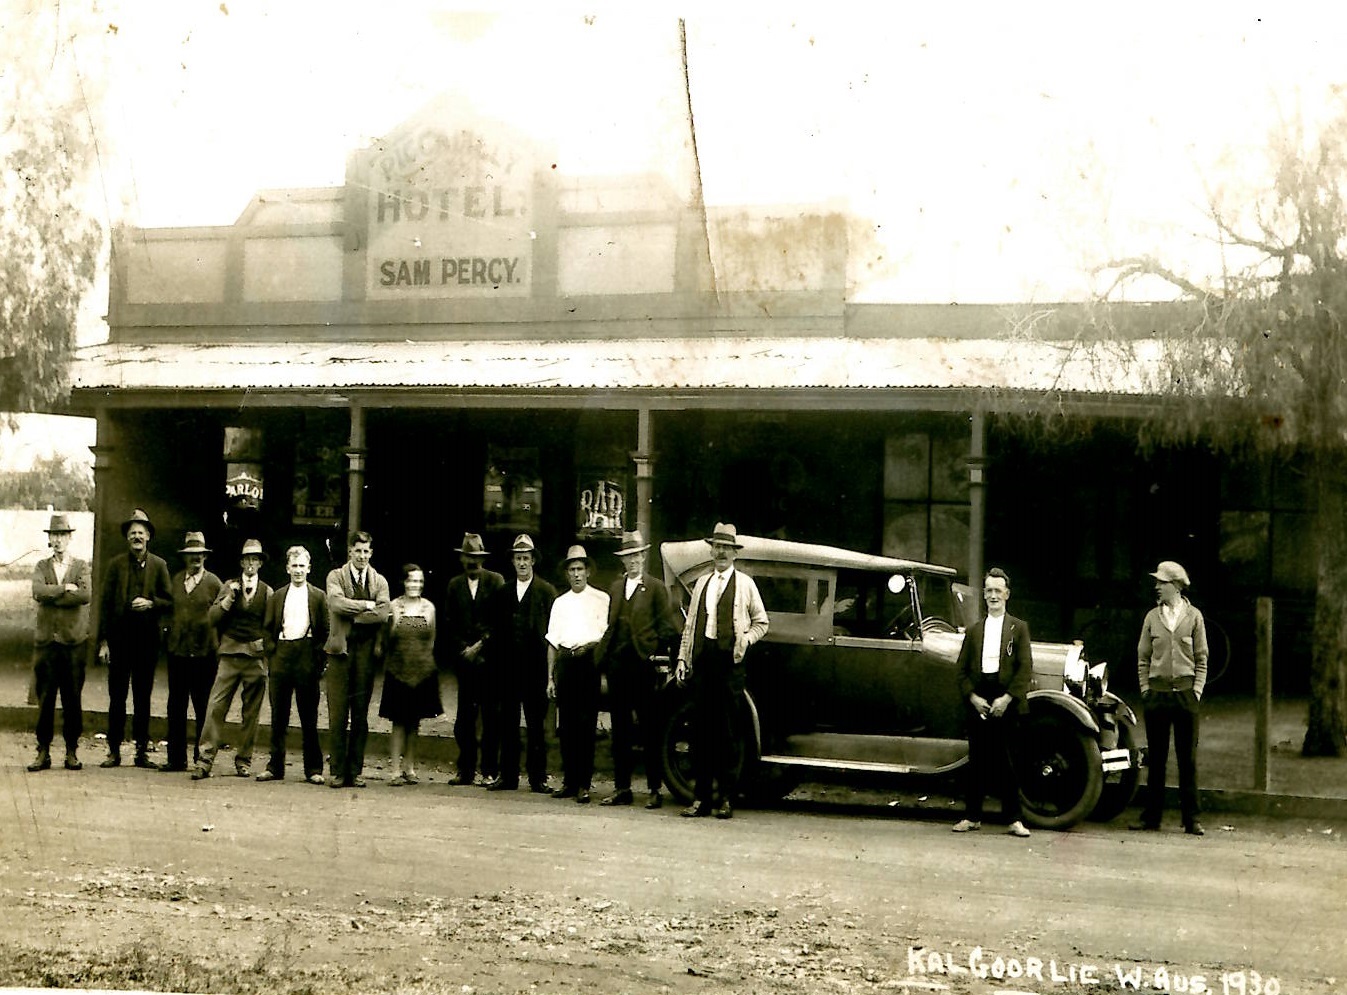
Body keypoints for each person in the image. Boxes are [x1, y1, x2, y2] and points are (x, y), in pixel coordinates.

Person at [675, 523, 769, 820]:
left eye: (726, 548)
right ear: (711, 551)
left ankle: (725, 798)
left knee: (727, 734)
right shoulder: (702, 583)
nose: (720, 553)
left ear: (734, 553)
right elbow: (690, 626)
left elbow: (761, 622)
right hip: (703, 665)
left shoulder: (745, 584)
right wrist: (682, 659)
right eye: (716, 547)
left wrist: (746, 639)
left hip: (730, 667)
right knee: (700, 733)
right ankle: (701, 799)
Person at [596, 529, 680, 809]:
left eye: (637, 556)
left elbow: (666, 628)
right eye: (628, 557)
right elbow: (611, 624)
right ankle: (623, 788)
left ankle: (654, 789)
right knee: (620, 730)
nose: (633, 561)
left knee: (649, 729)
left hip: (643, 666)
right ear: (623, 560)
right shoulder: (616, 587)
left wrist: (654, 652)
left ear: (644, 557)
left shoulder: (656, 588)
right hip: (619, 666)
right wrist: (604, 659)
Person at [952, 567, 1034, 838]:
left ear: (1007, 594)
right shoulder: (975, 630)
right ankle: (972, 817)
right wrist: (973, 698)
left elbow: (1025, 669)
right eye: (989, 590)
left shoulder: (1018, 628)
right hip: (980, 698)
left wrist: (1007, 699)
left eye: (998, 590)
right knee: (977, 760)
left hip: (1006, 699)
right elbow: (961, 670)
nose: (993, 595)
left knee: (1006, 762)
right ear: (984, 595)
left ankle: (1014, 820)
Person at [1131, 560, 1209, 836]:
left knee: (1187, 760)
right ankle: (1151, 817)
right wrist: (1145, 690)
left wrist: (1196, 691)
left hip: (1186, 697)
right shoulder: (1152, 617)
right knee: (1158, 758)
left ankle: (1192, 820)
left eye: (1162, 583)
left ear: (1175, 586)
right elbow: (1143, 658)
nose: (1157, 587)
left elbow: (1202, 658)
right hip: (1158, 696)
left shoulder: (1194, 617)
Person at [96, 508, 173, 769]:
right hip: (119, 642)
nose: (136, 537)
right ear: (127, 537)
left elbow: (169, 601)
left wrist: (151, 603)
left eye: (141, 532)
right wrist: (104, 642)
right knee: (117, 697)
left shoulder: (159, 565)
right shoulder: (115, 565)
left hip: (146, 643)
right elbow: (104, 605)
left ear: (148, 536)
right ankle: (114, 751)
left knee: (143, 697)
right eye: (132, 533)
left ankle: (142, 752)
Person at [193, 539, 272, 780]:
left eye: (255, 559)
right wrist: (228, 599)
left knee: (251, 712)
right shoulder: (229, 586)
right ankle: (205, 760)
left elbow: (271, 625)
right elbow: (211, 618)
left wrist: (264, 645)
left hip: (255, 658)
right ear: (241, 562)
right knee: (216, 706)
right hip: (229, 654)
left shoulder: (267, 592)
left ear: (260, 564)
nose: (251, 564)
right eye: (247, 559)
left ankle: (244, 760)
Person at [486, 534, 556, 793]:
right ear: (513, 562)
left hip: (536, 670)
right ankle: (508, 776)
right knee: (508, 723)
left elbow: (553, 633)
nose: (523, 563)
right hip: (508, 670)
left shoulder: (547, 592)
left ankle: (538, 778)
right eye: (518, 558)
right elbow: (494, 632)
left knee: (537, 725)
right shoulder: (502, 593)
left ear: (533, 561)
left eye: (527, 558)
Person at [323, 529, 391, 788]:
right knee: (338, 712)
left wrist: (353, 614)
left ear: (371, 553)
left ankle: (356, 770)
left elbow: (384, 612)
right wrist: (365, 606)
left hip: (365, 653)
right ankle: (339, 771)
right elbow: (335, 604)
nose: (362, 556)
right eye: (357, 551)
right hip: (340, 651)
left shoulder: (379, 581)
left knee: (360, 714)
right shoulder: (336, 576)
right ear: (349, 552)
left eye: (366, 551)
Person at [258, 545, 328, 784]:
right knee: (279, 716)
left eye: (302, 566)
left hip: (306, 655)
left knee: (309, 717)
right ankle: (275, 767)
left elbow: (325, 631)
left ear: (309, 568)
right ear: (287, 568)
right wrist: (273, 653)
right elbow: (267, 628)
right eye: (294, 566)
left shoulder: (318, 596)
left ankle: (314, 769)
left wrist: (317, 660)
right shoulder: (277, 596)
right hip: (282, 655)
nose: (298, 570)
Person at [28, 513, 92, 773]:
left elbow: (85, 595)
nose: (58, 540)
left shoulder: (81, 566)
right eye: (54, 535)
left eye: (63, 535)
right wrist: (65, 589)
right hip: (47, 643)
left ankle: (71, 751)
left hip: (73, 643)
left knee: (72, 698)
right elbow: (37, 592)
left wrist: (54, 595)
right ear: (49, 539)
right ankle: (42, 751)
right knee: (45, 698)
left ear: (69, 538)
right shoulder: (41, 566)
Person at [545, 544, 610, 804]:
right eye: (571, 569)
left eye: (580, 569)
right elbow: (552, 641)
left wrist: (602, 671)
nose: (576, 574)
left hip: (589, 663)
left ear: (588, 571)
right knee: (567, 727)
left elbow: (604, 638)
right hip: (566, 664)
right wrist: (550, 677)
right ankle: (570, 782)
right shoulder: (560, 603)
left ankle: (584, 784)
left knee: (585, 727)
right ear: (566, 573)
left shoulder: (601, 599)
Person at [443, 533, 505, 786]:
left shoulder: (496, 581)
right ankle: (465, 770)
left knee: (491, 717)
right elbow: (449, 623)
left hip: (489, 660)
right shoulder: (454, 585)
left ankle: (489, 770)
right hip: (465, 661)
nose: (473, 562)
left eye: (477, 558)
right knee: (465, 719)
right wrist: (464, 649)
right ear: (462, 558)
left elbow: (500, 621)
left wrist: (480, 646)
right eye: (469, 557)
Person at [161, 532, 223, 772]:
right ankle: (176, 759)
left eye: (199, 555)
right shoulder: (176, 581)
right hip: (178, 653)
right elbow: (167, 609)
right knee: (175, 706)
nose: (195, 559)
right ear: (185, 558)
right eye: (190, 555)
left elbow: (223, 617)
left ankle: (202, 759)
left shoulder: (214, 583)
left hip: (204, 655)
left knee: (202, 707)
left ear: (204, 557)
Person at [379, 563, 442, 785]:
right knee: (398, 721)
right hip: (398, 670)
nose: (416, 585)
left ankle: (410, 768)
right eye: (411, 581)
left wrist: (422, 662)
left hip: (423, 670)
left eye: (419, 581)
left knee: (415, 722)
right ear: (404, 582)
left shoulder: (429, 608)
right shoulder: (394, 607)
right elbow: (386, 640)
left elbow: (432, 639)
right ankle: (395, 770)